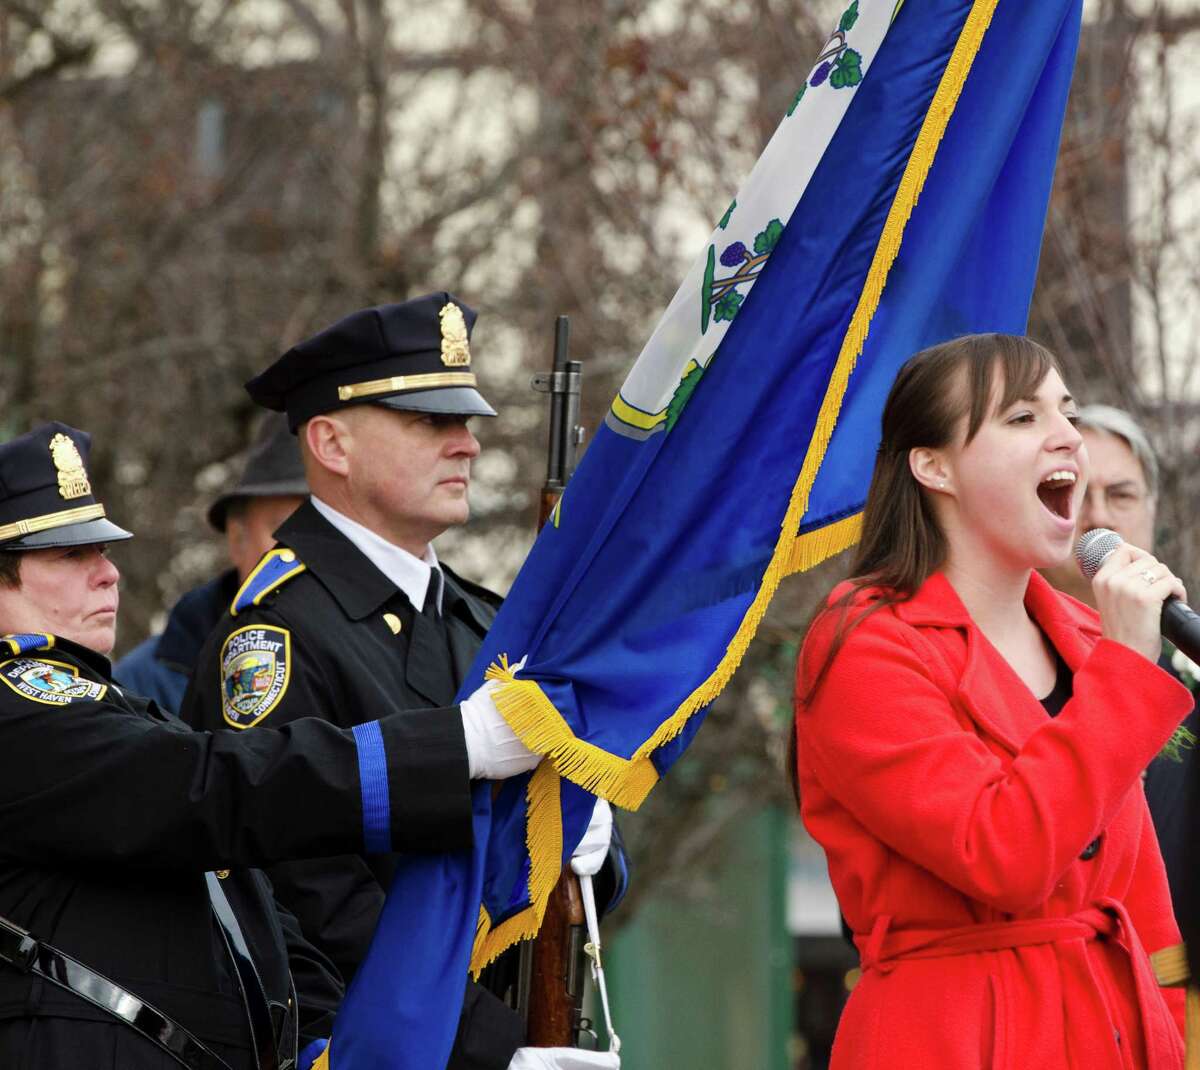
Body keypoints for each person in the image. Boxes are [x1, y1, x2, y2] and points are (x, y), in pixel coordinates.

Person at [0, 420, 544, 1069]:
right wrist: (449, 750)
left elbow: (270, 937)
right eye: (70, 555)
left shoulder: (107, 711)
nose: (109, 575)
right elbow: (207, 789)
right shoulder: (18, 706)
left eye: (104, 551)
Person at [181, 293, 619, 1069]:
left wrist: (591, 840)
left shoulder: (480, 624)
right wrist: (488, 1047)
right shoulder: (274, 636)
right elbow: (313, 898)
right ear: (331, 443)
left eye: (468, 425)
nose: (468, 448)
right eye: (430, 423)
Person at [792, 334, 1193, 1067]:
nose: (1067, 435)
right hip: (955, 1033)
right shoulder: (866, 643)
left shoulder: (1082, 637)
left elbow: (1141, 905)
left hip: (1110, 1031)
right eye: (1022, 417)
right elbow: (1001, 854)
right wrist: (1127, 670)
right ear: (933, 465)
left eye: (1066, 412)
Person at [1041, 405, 1199, 920]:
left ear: (1153, 511)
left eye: (1122, 495)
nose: (1100, 517)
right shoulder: (1007, 664)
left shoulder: (1190, 658)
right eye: (1079, 494)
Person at [115, 414, 308, 710]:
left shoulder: (390, 650)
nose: (311, 548)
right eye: (287, 528)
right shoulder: (144, 686)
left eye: (331, 530)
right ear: (237, 538)